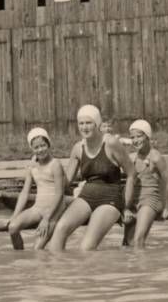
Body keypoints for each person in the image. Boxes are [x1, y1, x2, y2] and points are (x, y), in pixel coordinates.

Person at [50, 104, 134, 251]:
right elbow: (67, 182)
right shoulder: (78, 148)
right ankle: (57, 271)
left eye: (89, 123)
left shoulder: (111, 143)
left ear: (97, 124)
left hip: (110, 199)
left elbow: (132, 173)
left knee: (86, 247)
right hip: (86, 197)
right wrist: (50, 164)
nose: (85, 127)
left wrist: (127, 207)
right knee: (60, 229)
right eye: (81, 123)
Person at [6, 127, 68, 250]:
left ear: (48, 144)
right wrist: (15, 215)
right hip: (38, 208)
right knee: (12, 228)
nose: (40, 150)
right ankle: (19, 258)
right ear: (32, 149)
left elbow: (60, 193)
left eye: (43, 145)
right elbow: (25, 192)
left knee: (36, 249)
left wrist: (46, 219)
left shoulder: (55, 164)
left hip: (54, 211)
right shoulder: (32, 166)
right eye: (36, 147)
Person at [123, 119, 168, 249]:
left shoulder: (155, 157)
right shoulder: (131, 158)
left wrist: (167, 208)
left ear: (147, 136)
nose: (136, 140)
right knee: (127, 244)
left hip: (150, 200)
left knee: (138, 240)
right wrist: (125, 207)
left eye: (139, 136)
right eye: (133, 137)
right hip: (134, 201)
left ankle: (142, 267)